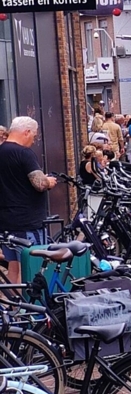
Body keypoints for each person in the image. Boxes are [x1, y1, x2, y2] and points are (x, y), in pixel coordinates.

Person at [0, 117, 57, 284]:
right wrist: (49, 181)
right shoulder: (24, 153)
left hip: (6, 221)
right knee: (33, 267)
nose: (34, 140)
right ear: (26, 132)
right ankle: (32, 300)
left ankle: (13, 300)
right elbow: (39, 184)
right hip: (27, 223)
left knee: (14, 267)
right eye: (34, 135)